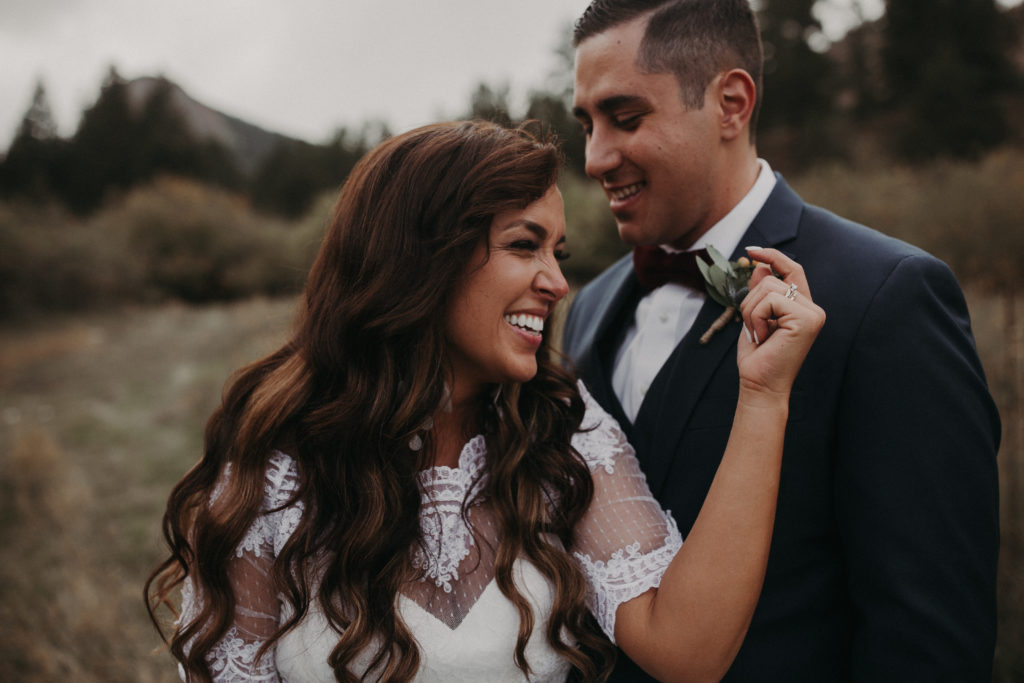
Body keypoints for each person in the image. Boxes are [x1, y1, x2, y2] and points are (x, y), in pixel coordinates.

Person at [145, 119, 824, 682]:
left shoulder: (563, 427)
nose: (557, 283)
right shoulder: (277, 462)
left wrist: (763, 396)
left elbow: (688, 650)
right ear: (421, 259)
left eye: (557, 252)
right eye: (524, 245)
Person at [563, 1, 1002, 681]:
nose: (595, 158)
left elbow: (928, 637)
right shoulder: (588, 308)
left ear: (731, 104)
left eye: (625, 118)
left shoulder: (886, 298)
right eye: (586, 124)